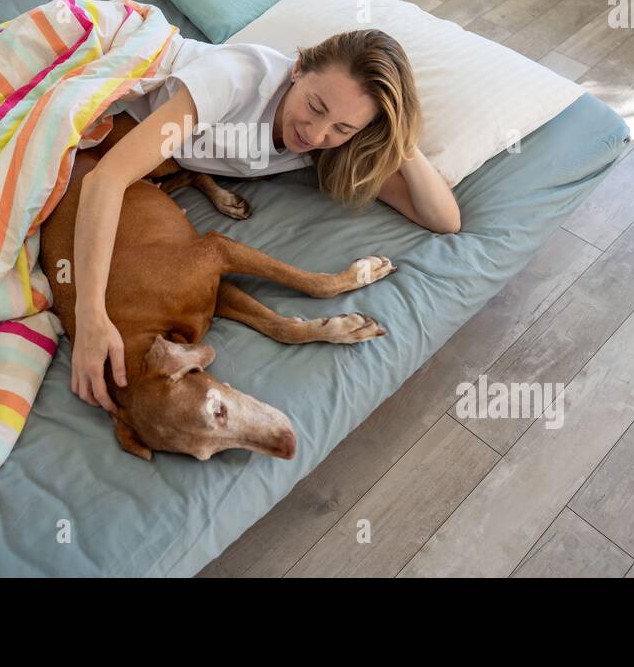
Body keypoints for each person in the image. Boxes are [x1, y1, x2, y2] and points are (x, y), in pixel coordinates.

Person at [68, 28, 460, 411]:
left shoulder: (330, 143)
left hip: (163, 159)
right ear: (297, 69)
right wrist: (91, 316)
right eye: (315, 106)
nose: (315, 132)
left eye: (343, 127)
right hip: (104, 72)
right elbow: (107, 178)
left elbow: (444, 219)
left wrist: (400, 141)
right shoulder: (235, 79)